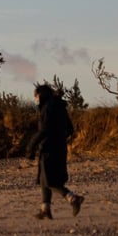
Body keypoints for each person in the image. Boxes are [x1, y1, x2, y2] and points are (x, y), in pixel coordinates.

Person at [27, 82, 83, 219]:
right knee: (43, 179)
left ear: (40, 95)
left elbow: (44, 130)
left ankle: (73, 198)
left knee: (50, 181)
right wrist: (59, 139)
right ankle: (45, 209)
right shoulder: (60, 107)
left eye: (36, 96)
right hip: (59, 148)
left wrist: (31, 147)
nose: (35, 99)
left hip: (48, 149)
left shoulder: (47, 108)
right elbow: (70, 129)